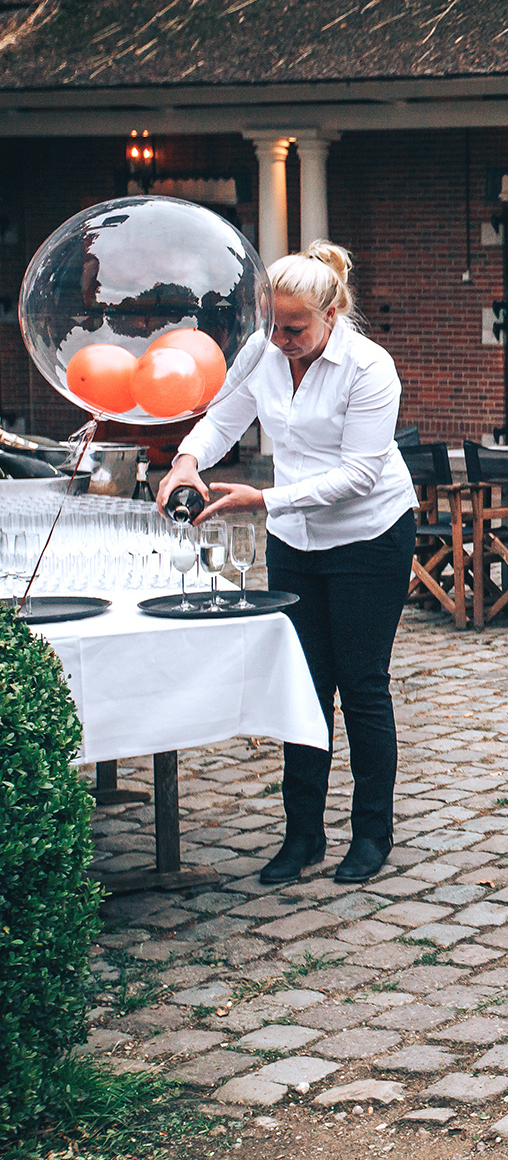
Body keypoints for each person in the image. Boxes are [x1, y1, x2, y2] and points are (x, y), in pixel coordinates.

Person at [159, 240, 417, 886]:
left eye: (295, 326)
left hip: (368, 536)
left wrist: (262, 496)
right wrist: (187, 459)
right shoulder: (263, 351)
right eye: (273, 323)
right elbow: (223, 419)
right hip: (294, 540)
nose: (281, 337)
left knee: (360, 683)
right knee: (302, 687)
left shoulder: (370, 368)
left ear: (331, 313)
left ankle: (371, 834)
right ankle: (301, 837)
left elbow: (359, 475)